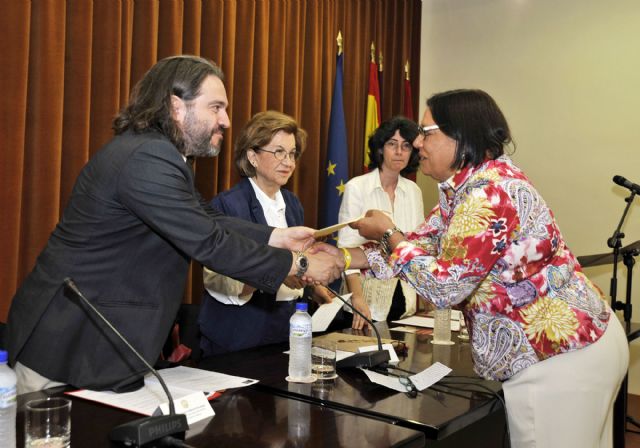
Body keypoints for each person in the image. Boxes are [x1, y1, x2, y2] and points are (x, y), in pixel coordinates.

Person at [6, 55, 343, 394]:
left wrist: (279, 236)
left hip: (98, 345)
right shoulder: (147, 158)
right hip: (68, 344)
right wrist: (299, 263)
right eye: (216, 107)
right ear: (176, 106)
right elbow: (209, 241)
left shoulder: (161, 156)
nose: (226, 121)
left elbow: (207, 218)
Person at [346, 89, 629, 447]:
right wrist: (339, 260)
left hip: (557, 358)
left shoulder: (489, 193)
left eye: (427, 131)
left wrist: (387, 231)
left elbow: (444, 287)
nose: (418, 142)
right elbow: (417, 245)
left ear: (462, 135)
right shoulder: (466, 189)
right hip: (572, 349)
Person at [198, 111, 333, 357]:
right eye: (279, 152)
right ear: (253, 157)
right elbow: (217, 280)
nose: (289, 162)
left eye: (292, 153)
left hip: (284, 332)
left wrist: (311, 287)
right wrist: (280, 270)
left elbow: (296, 268)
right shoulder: (226, 206)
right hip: (237, 337)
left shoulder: (292, 204)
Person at [337, 117, 424, 330]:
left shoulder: (414, 190)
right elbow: (347, 251)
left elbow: (418, 248)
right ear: (380, 149)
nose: (399, 152)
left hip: (405, 302)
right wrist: (357, 299)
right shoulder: (357, 187)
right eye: (392, 144)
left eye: (405, 146)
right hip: (365, 304)